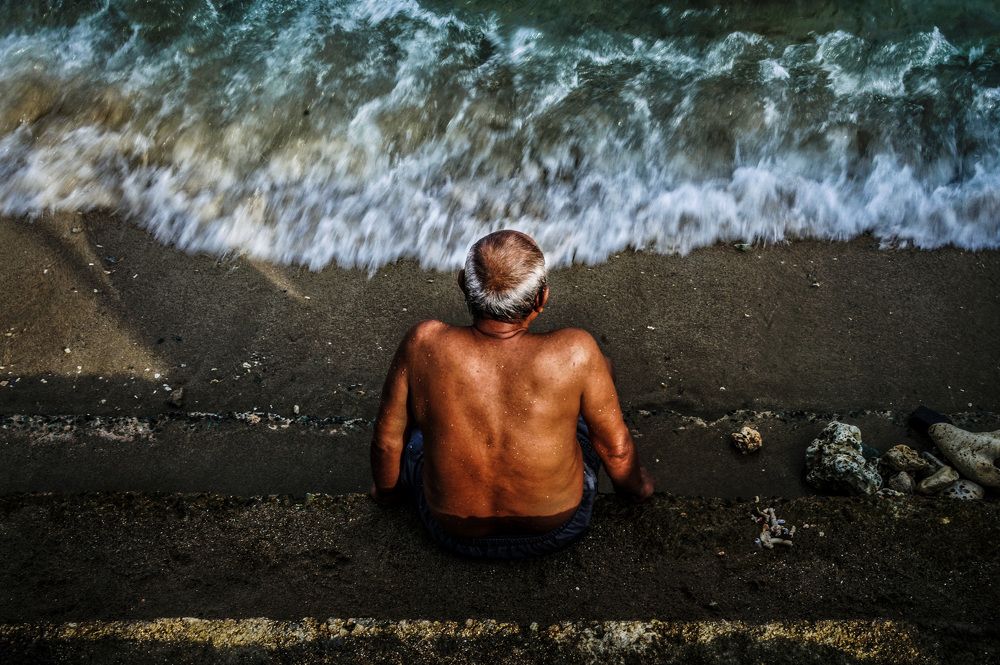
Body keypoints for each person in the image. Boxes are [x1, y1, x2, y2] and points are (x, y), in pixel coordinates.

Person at [369, 230, 654, 558]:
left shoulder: (424, 343)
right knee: (600, 372)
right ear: (541, 299)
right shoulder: (576, 352)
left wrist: (387, 496)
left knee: (418, 430)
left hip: (452, 531)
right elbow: (615, 451)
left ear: (463, 284)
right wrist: (637, 490)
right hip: (557, 528)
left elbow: (387, 440)